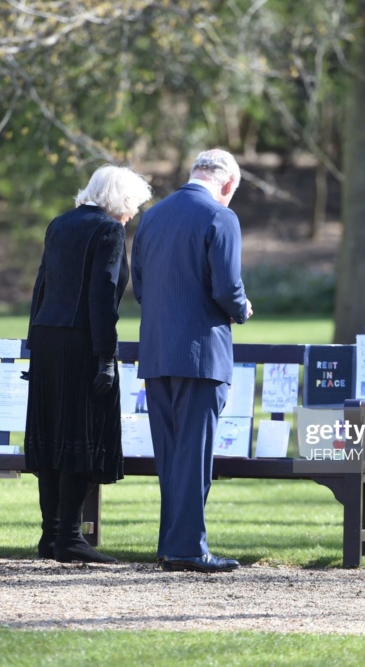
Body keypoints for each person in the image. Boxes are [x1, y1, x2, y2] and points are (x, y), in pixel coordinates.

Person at [131, 149, 253, 573]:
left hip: (158, 351)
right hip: (202, 354)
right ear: (228, 184)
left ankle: (173, 545)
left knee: (171, 455)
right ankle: (187, 549)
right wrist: (241, 309)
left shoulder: (152, 216)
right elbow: (226, 286)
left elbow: (140, 287)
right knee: (195, 455)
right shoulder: (222, 217)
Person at [25, 164, 152, 564]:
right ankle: (70, 537)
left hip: (47, 336)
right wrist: (105, 357)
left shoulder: (59, 224)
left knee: (52, 438)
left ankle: (50, 536)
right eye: (132, 204)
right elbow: (102, 298)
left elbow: (41, 286)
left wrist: (33, 342)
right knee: (81, 435)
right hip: (82, 342)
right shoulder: (108, 231)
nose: (132, 214)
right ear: (118, 199)